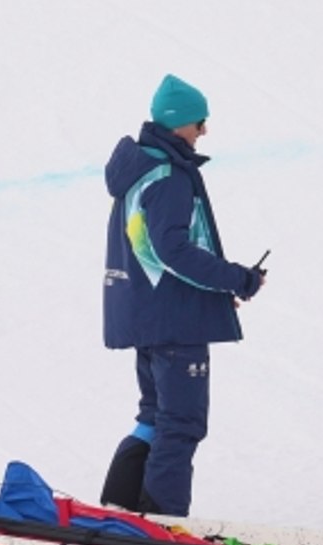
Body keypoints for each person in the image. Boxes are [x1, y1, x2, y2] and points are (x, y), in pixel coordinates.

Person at [99, 74, 265, 517]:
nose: (204, 131)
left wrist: (209, 296)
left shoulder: (141, 167)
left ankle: (119, 506)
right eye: (199, 122)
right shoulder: (169, 176)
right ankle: (161, 520)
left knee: (155, 415)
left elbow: (151, 255)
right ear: (178, 124)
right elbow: (173, 251)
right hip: (172, 324)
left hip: (151, 315)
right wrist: (236, 278)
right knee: (181, 424)